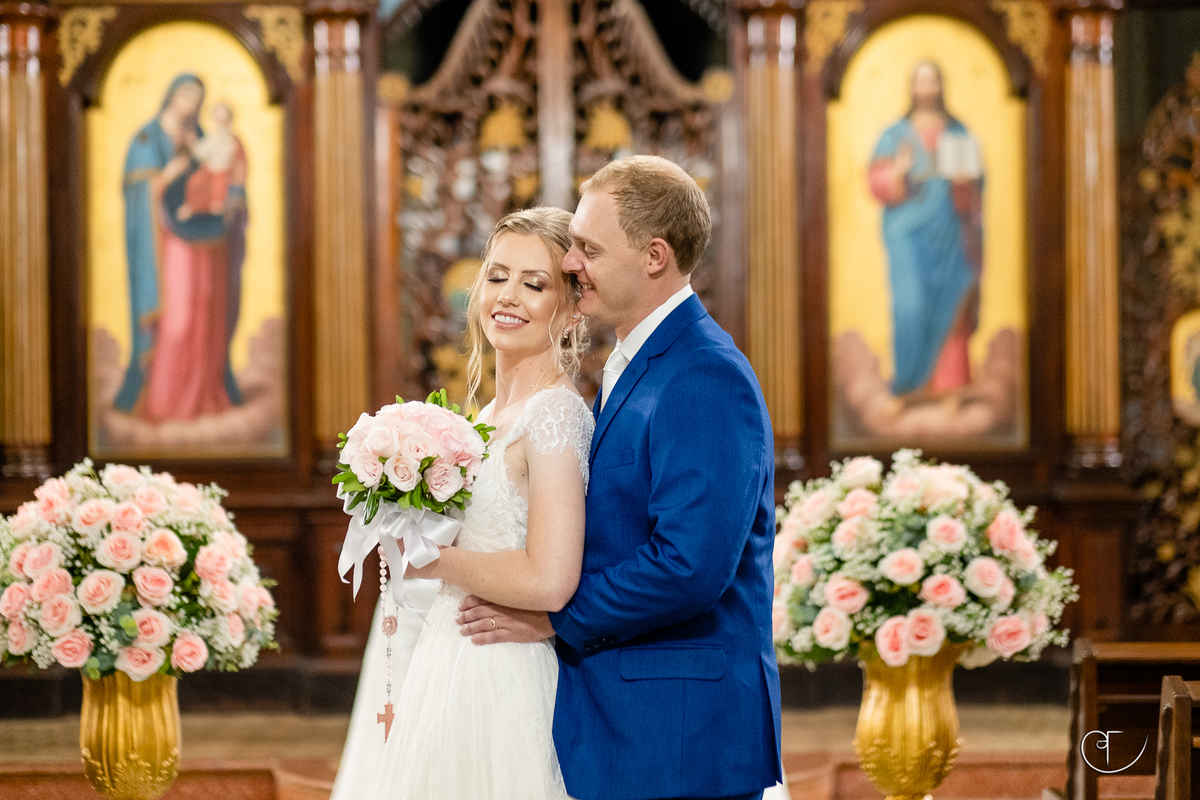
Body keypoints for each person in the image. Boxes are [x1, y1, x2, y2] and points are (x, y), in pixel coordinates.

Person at [458, 155, 782, 800]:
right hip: (631, 718)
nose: (571, 262)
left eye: (587, 247)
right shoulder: (632, 362)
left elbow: (689, 564)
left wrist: (555, 619)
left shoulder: (703, 374)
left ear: (655, 256)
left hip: (679, 728)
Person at [369, 206, 594, 798]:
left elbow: (549, 578)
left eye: (534, 283)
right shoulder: (484, 419)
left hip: (507, 674)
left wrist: (429, 559)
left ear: (571, 310)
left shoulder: (554, 416)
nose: (508, 296)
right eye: (496, 276)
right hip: (449, 665)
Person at [115, 75, 245, 422]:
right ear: (171, 94)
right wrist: (169, 174)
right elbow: (141, 194)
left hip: (206, 240)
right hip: (168, 243)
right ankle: (165, 403)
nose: (191, 103)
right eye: (186, 94)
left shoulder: (203, 137)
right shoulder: (147, 138)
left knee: (206, 313)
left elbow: (222, 175)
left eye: (198, 97)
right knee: (179, 318)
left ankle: (204, 397)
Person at [867, 60, 984, 400]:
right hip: (907, 234)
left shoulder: (958, 133)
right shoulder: (894, 135)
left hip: (951, 232)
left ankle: (950, 387)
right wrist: (898, 174)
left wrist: (966, 185)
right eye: (921, 81)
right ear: (913, 87)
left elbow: (977, 188)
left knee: (953, 298)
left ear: (941, 86)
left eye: (933, 81)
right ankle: (908, 386)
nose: (927, 88)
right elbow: (876, 182)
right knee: (910, 306)